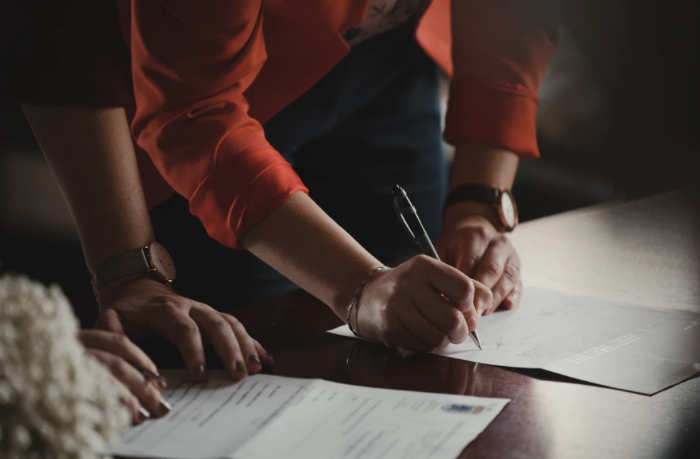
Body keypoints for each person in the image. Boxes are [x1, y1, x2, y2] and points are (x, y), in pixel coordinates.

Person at [11, 0, 555, 381]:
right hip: (210, 87)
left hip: (391, 55)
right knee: (251, 361)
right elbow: (194, 114)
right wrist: (358, 286)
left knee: (420, 333)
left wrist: (479, 205)